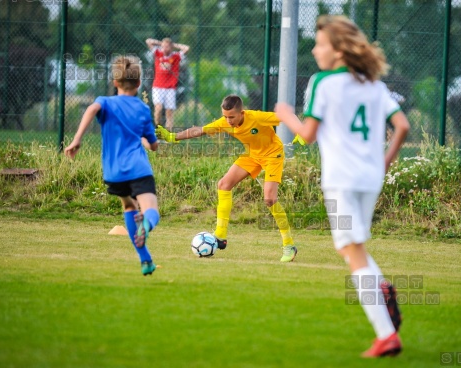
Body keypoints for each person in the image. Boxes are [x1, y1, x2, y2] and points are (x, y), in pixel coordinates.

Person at [274, 15, 410, 357]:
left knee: (351, 251)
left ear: (337, 50)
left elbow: (306, 134)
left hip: (341, 181)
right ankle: (382, 288)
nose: (316, 50)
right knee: (352, 247)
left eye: (320, 44)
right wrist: (386, 160)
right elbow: (403, 126)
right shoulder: (374, 85)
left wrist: (284, 113)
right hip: (370, 178)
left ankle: (386, 335)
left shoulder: (324, 82)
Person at [156, 95, 299, 262]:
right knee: (223, 184)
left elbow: (286, 116)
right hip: (252, 155)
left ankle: (289, 245)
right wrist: (173, 137)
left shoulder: (256, 117)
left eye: (231, 117)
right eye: (225, 116)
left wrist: (300, 131)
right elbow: (200, 130)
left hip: (273, 154)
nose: (228, 120)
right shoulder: (225, 122)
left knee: (269, 199)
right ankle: (220, 236)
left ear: (241, 113)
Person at [64, 55, 161, 277]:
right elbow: (152, 145)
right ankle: (145, 226)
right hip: (138, 169)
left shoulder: (105, 102)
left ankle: (145, 260)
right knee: (150, 211)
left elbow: (91, 109)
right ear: (138, 84)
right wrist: (150, 141)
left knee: (129, 207)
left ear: (115, 82)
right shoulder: (143, 109)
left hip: (114, 173)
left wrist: (77, 138)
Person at [145, 37, 190, 130]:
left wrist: (174, 45)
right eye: (163, 46)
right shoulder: (158, 53)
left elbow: (186, 48)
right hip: (158, 87)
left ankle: (167, 135)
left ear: (171, 47)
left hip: (170, 88)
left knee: (169, 112)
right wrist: (160, 43)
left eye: (167, 47)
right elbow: (148, 41)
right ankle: (158, 130)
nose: (165, 49)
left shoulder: (176, 56)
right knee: (158, 109)